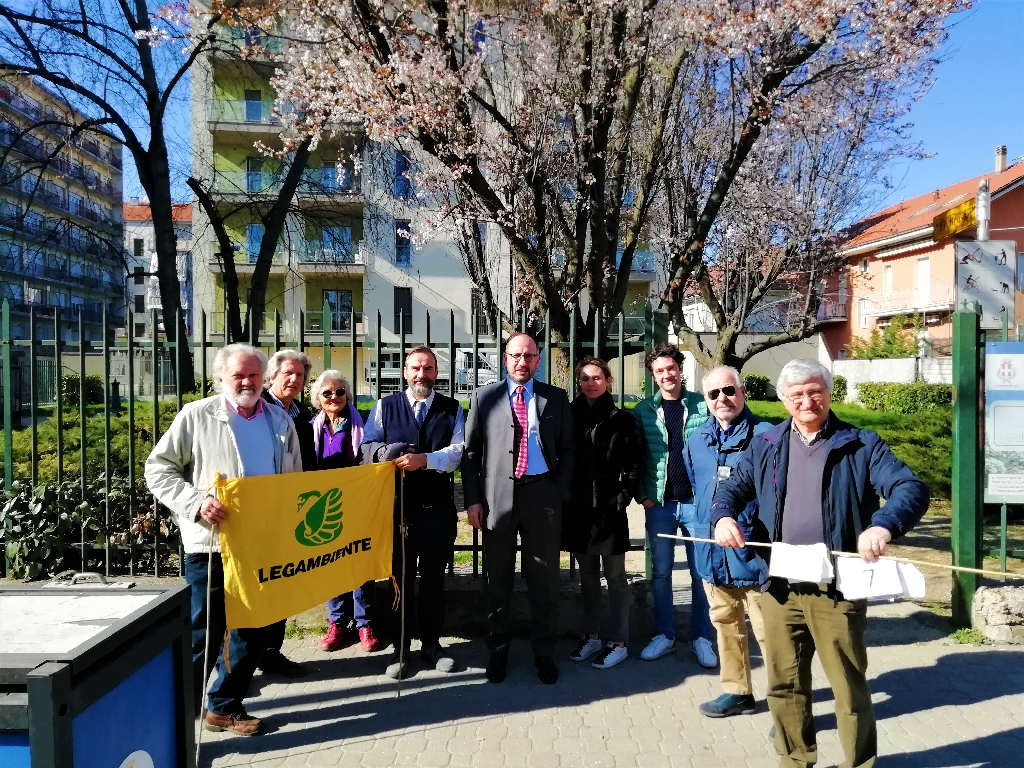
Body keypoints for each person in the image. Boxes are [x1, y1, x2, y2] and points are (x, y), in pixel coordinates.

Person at [712, 359, 929, 768]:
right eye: (796, 395)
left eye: (815, 392)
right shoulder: (766, 444)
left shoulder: (860, 444)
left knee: (848, 689)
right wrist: (723, 517)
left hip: (837, 590)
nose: (806, 401)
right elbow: (730, 490)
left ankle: (858, 764)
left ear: (829, 393)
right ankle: (795, 761)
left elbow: (909, 487)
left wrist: (883, 525)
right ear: (783, 400)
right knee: (785, 685)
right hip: (779, 588)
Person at [145, 343, 302, 736]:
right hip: (211, 545)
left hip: (261, 544)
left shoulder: (280, 421)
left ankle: (224, 705)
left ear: (263, 378)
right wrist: (195, 503)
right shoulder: (197, 416)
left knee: (252, 631)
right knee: (203, 631)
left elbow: (294, 479)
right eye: (238, 376)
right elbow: (158, 469)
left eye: (253, 375)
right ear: (220, 379)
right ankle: (176, 712)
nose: (247, 382)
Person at [462, 332, 575, 685]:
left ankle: (544, 652)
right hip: (498, 498)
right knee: (497, 579)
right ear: (505, 358)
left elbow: (570, 449)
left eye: (529, 356)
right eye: (515, 355)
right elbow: (470, 453)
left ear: (538, 360)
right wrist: (474, 500)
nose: (522, 362)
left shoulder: (555, 398)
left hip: (542, 495)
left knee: (544, 578)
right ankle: (498, 651)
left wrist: (559, 494)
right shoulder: (485, 397)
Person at [361, 346, 465, 679]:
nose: (422, 374)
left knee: (434, 581)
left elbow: (458, 451)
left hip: (438, 511)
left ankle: (432, 645)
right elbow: (366, 447)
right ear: (405, 372)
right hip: (398, 512)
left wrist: (426, 460)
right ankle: (402, 649)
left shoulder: (452, 409)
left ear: (437, 373)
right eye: (416, 368)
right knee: (399, 582)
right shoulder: (384, 406)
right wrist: (386, 453)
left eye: (429, 369)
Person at [682, 366, 770, 718]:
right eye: (713, 394)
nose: (723, 399)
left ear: (743, 392)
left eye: (729, 391)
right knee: (725, 624)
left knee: (770, 633)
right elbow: (696, 487)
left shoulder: (767, 436)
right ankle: (737, 692)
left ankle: (787, 704)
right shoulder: (697, 440)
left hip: (754, 554)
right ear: (705, 400)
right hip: (711, 552)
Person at [633, 343, 716, 668]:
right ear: (654, 376)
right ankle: (664, 635)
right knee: (661, 573)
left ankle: (701, 637)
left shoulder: (701, 404)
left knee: (701, 573)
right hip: (661, 505)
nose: (667, 374)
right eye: (660, 371)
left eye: (671, 368)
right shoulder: (643, 411)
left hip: (697, 504)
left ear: (680, 369)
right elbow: (637, 457)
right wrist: (644, 496)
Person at [562, 357, 641, 670]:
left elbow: (634, 465)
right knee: (588, 578)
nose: (590, 383)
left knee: (616, 577)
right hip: (579, 511)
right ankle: (592, 635)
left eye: (596, 378)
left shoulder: (621, 419)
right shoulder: (570, 415)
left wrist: (622, 497)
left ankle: (619, 641)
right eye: (584, 379)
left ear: (608, 381)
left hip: (609, 510)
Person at [309, 370, 378, 654]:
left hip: (357, 501)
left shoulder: (362, 422)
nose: (335, 397)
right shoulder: (310, 426)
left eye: (340, 391)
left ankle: (365, 623)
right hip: (324, 504)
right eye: (327, 393)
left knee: (359, 562)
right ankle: (337, 621)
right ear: (318, 399)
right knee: (331, 563)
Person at [257, 349, 316, 678]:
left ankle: (271, 651)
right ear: (271, 376)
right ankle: (245, 654)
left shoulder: (301, 412)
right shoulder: (258, 409)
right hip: (262, 512)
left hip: (292, 511)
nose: (294, 380)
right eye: (288, 374)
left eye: (300, 375)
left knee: (280, 583)